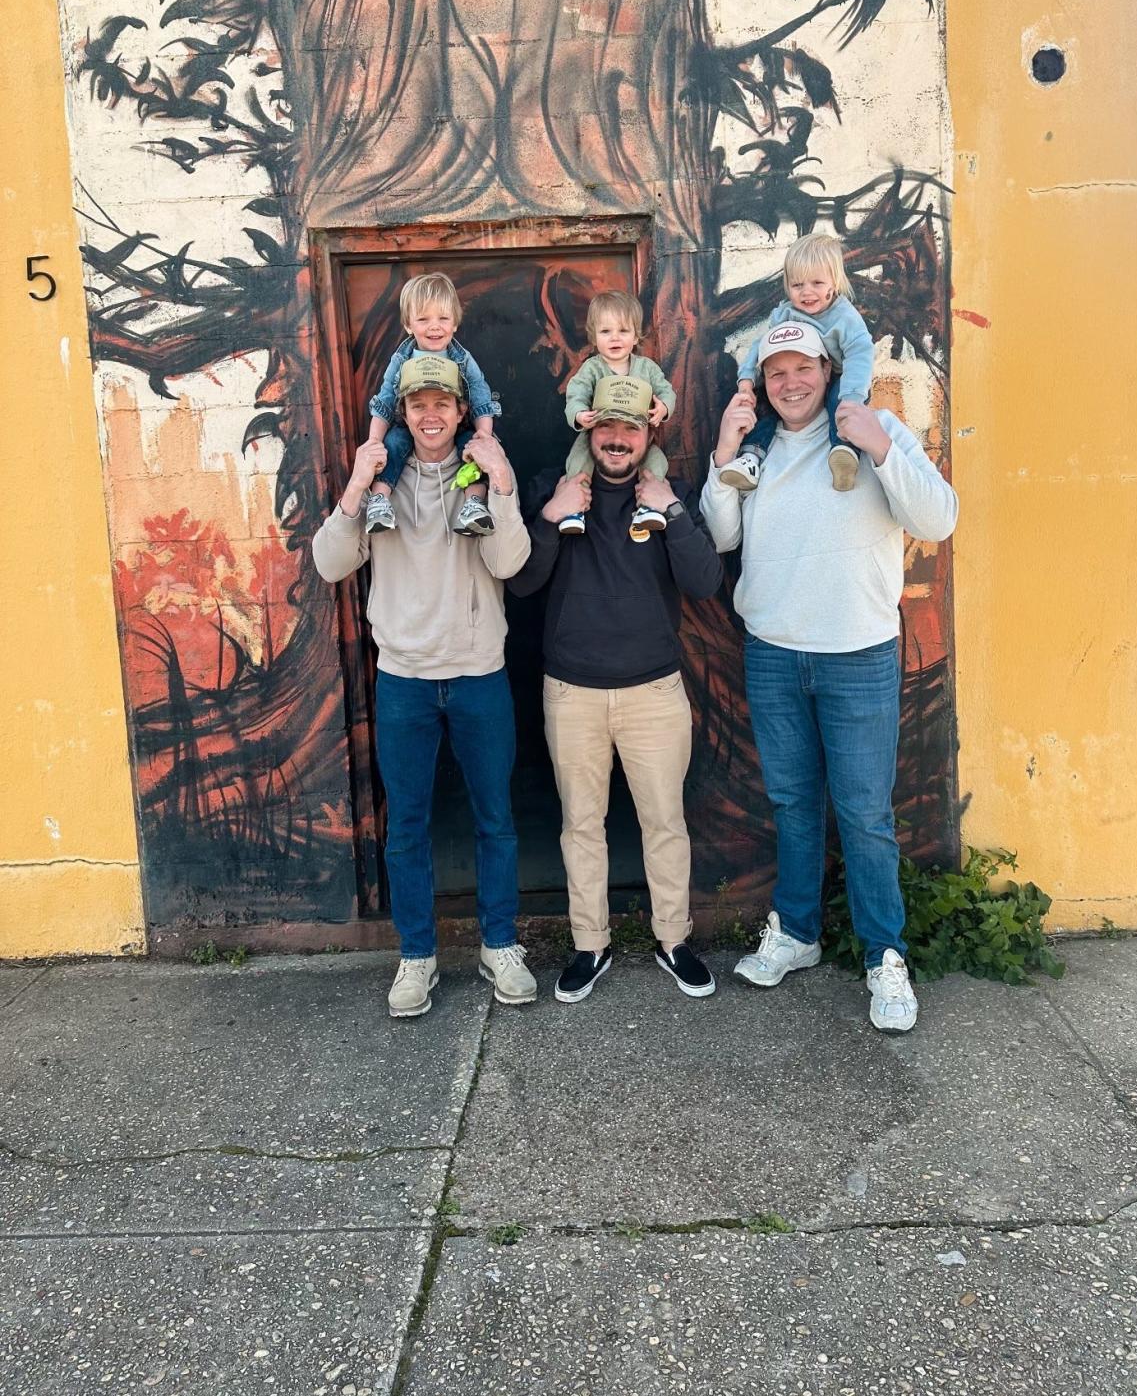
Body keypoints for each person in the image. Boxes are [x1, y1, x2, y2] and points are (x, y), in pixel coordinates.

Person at [701, 322, 959, 1032]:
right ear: (763, 379)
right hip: (774, 652)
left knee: (866, 817)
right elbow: (720, 535)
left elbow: (938, 519)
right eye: (777, 371)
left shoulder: (872, 429)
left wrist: (881, 449)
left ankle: (885, 957)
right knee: (792, 803)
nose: (791, 383)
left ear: (828, 369)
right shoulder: (756, 450)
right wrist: (724, 453)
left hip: (858, 656)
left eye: (803, 368)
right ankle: (800, 933)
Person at [312, 353, 537, 1019]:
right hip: (405, 681)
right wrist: (355, 484)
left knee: (494, 821)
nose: (431, 415)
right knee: (406, 827)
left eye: (443, 404)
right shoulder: (384, 483)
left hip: (478, 677)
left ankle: (501, 946)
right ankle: (417, 956)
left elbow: (510, 561)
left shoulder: (483, 473)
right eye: (418, 405)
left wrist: (501, 486)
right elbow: (330, 563)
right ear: (403, 412)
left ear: (462, 410)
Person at [508, 373, 724, 1003]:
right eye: (606, 426)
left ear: (648, 432)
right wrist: (551, 518)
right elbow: (521, 583)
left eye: (630, 427)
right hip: (572, 692)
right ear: (590, 429)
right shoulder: (557, 488)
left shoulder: (668, 495)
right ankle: (588, 947)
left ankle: (673, 941)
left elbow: (706, 581)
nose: (617, 439)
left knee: (664, 822)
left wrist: (674, 510)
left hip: (654, 691)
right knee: (582, 827)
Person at [718, 231, 874, 495]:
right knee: (765, 405)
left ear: (833, 282)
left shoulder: (844, 317)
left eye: (816, 282)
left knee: (840, 405)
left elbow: (860, 352)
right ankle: (751, 457)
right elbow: (761, 346)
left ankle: (844, 452)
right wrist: (745, 380)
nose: (807, 292)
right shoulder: (787, 313)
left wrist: (853, 394)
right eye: (797, 285)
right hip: (811, 378)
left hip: (842, 378)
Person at [363, 271, 500, 538]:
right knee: (392, 444)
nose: (434, 327)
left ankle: (474, 503)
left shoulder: (462, 359)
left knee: (473, 449)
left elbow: (481, 395)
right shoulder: (401, 359)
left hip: (455, 427)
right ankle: (379, 502)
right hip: (410, 427)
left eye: (443, 318)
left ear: (455, 323)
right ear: (408, 325)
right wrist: (373, 441)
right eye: (423, 319)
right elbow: (385, 401)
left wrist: (483, 432)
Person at [560, 289, 677, 541]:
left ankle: (647, 507)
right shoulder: (592, 368)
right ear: (593, 337)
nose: (615, 338)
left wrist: (663, 408)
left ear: (636, 336)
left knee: (657, 463)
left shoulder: (646, 368)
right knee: (578, 461)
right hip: (598, 433)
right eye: (605, 332)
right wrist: (579, 414)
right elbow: (576, 393)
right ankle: (575, 508)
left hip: (639, 438)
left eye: (623, 331)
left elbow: (666, 390)